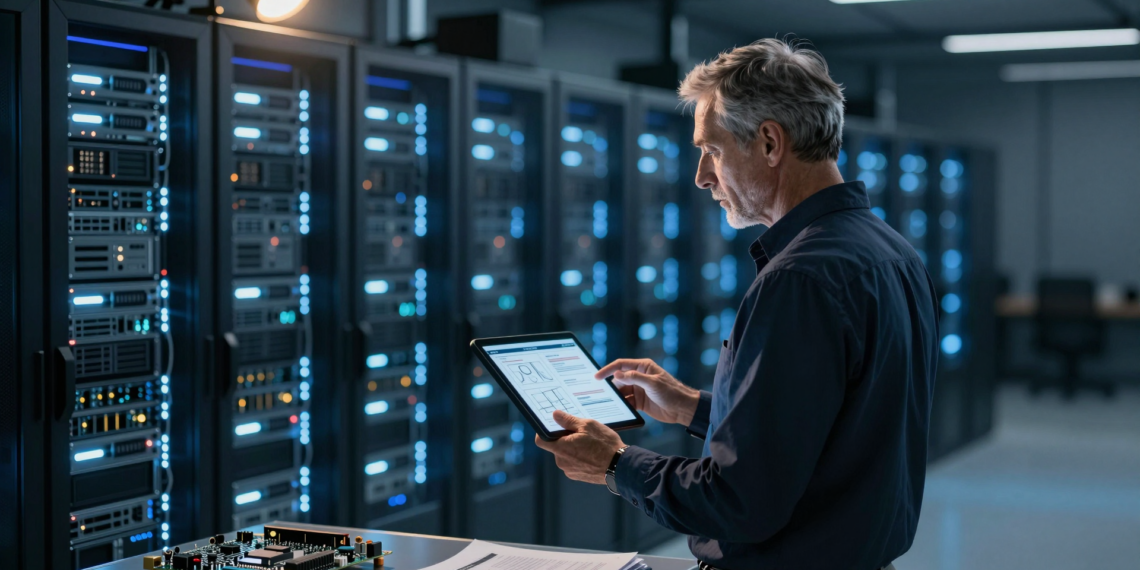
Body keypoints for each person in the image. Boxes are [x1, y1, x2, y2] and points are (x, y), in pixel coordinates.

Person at [534, 38, 939, 570]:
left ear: (770, 143)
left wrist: (615, 462)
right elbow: (827, 433)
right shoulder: (893, 253)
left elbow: (740, 502)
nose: (702, 176)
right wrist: (693, 407)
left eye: (713, 150)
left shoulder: (798, 279)